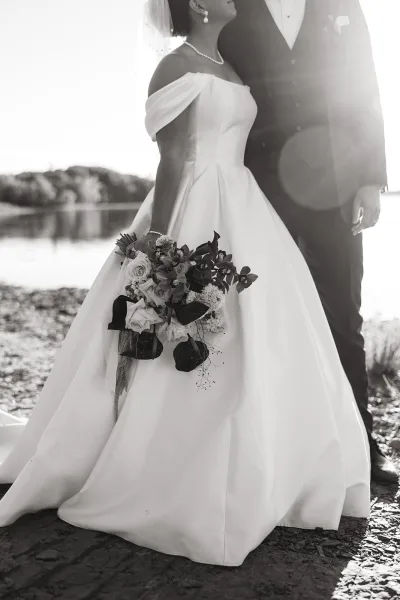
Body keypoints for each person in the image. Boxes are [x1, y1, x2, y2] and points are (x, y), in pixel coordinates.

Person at [0, 0, 371, 567]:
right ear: (198, 3)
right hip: (199, 207)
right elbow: (172, 164)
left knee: (264, 333)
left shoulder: (227, 61)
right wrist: (163, 251)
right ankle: (166, 466)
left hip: (246, 206)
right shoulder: (176, 66)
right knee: (186, 334)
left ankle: (273, 461)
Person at [218, 0, 398, 484]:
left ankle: (362, 442)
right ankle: (277, 446)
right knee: (265, 316)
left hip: (336, 186)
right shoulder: (233, 8)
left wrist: (369, 178)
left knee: (344, 314)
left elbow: (364, 84)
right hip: (259, 188)